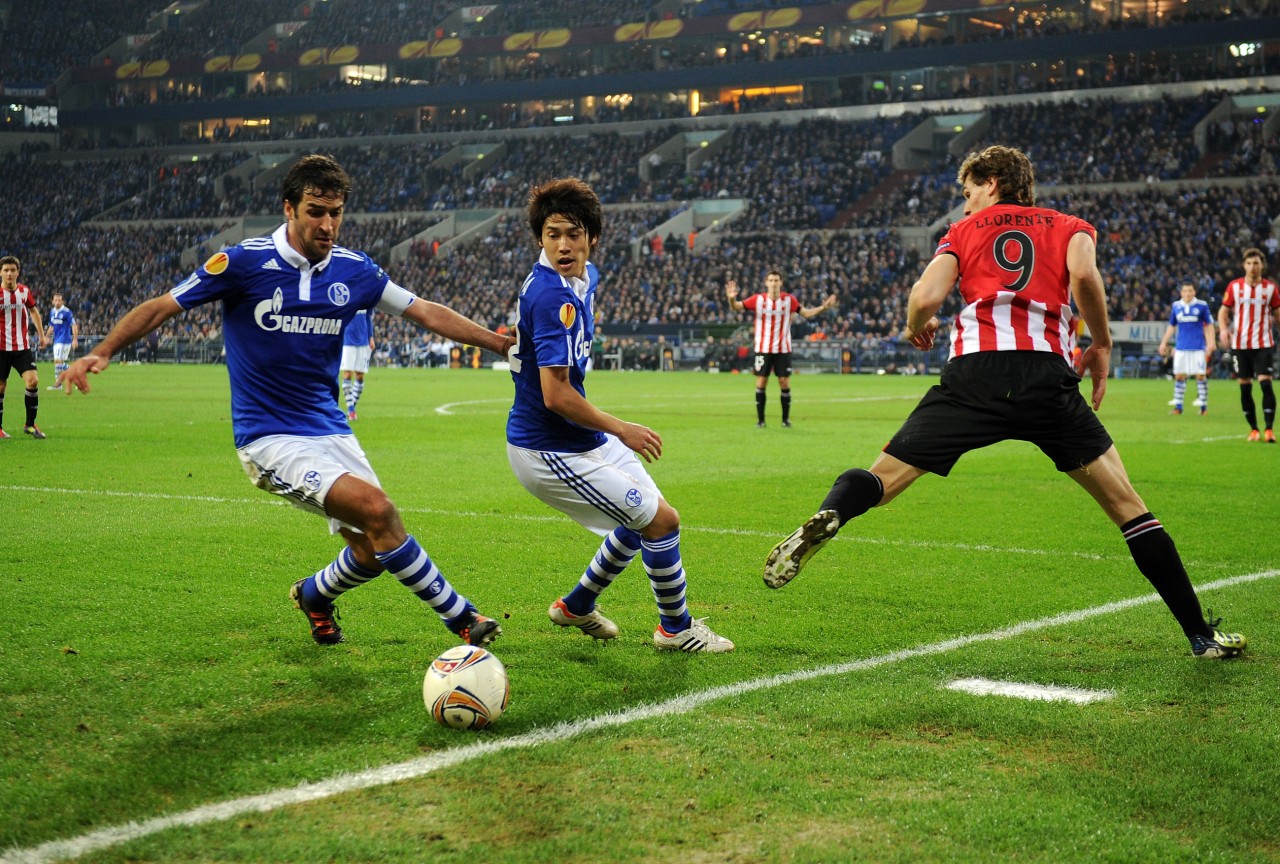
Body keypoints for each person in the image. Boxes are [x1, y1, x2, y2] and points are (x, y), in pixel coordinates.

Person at [762, 145, 1246, 661]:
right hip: (1044, 376)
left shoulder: (961, 234)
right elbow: (1084, 278)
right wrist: (1100, 343)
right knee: (1129, 509)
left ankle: (831, 513)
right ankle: (1199, 634)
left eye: (967, 190)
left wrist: (913, 327)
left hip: (973, 376)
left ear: (991, 182)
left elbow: (925, 297)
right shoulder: (1068, 226)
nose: (965, 202)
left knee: (882, 483)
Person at [64, 154, 511, 648]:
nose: (327, 223)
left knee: (370, 550)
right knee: (379, 510)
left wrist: (499, 343)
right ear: (289, 209)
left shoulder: (354, 270)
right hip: (268, 436)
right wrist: (102, 351)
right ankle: (464, 619)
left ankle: (314, 596)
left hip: (329, 427)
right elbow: (164, 306)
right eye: (316, 211)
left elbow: (423, 311)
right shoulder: (243, 262)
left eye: (335, 212)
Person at [505, 177, 733, 653]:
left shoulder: (583, 279)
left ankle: (576, 605)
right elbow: (557, 395)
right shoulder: (553, 297)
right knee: (661, 521)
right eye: (552, 235)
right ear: (539, 239)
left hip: (580, 440)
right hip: (547, 448)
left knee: (644, 520)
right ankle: (676, 629)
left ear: (592, 237)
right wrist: (621, 428)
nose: (563, 245)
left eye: (573, 233)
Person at [725, 270, 835, 427]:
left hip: (783, 348)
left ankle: (785, 420)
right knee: (761, 382)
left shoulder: (789, 300)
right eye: (771, 280)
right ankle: (761, 421)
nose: (774, 283)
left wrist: (823, 308)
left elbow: (806, 313)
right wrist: (731, 299)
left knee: (784, 382)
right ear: (766, 283)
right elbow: (736, 307)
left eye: (776, 280)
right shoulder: (758, 299)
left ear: (781, 283)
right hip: (763, 348)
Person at [1217, 247, 1280, 442]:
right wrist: (1224, 329)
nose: (1253, 267)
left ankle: (1269, 429)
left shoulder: (1270, 289)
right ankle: (1253, 429)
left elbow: (1278, 315)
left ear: (1262, 266)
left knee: (1265, 383)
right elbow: (1223, 311)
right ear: (1244, 265)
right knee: (1245, 386)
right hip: (1240, 344)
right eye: (1249, 263)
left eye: (1256, 263)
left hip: (1263, 342)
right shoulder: (1234, 287)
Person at [0, 255, 49, 439]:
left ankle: (30, 425)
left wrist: (42, 335)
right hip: (1, 348)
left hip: (22, 347)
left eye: (13, 270)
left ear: (18, 272)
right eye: (6, 270)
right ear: (0, 273)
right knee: (1, 387)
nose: (10, 273)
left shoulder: (24, 291)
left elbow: (34, 311)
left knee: (33, 381)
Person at [1156, 282, 1214, 416]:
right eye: (1185, 291)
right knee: (1179, 376)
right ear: (1181, 293)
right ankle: (1178, 407)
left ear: (1194, 292)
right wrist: (1163, 343)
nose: (1187, 294)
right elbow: (1172, 326)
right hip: (1181, 347)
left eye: (1190, 291)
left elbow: (1208, 325)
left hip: (1198, 347)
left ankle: (1203, 407)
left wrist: (1211, 342)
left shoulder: (1202, 305)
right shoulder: (1176, 306)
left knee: (1200, 375)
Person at [340, 307, 373, 420]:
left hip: (363, 341)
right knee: (347, 374)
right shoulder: (347, 295)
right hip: (347, 340)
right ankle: (351, 411)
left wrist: (371, 337)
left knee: (360, 376)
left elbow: (368, 318)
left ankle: (351, 407)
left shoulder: (367, 298)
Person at [45, 292, 80, 390]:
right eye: (55, 300)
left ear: (62, 301)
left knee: (58, 361)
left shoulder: (67, 312)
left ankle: (58, 384)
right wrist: (46, 337)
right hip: (57, 340)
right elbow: (51, 326)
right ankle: (76, 377)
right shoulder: (52, 312)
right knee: (60, 363)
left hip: (64, 340)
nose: (57, 302)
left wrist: (75, 339)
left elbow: (74, 325)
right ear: (52, 301)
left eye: (59, 300)